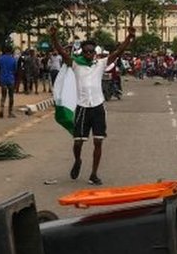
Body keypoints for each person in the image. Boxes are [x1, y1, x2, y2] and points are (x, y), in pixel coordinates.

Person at [49, 25, 135, 185]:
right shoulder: (75, 64)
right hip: (82, 107)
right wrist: (53, 37)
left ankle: (93, 174)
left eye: (91, 51)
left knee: (98, 141)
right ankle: (78, 160)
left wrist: (129, 38)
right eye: (86, 51)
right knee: (78, 141)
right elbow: (61, 51)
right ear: (82, 52)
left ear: (95, 52)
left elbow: (117, 53)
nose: (89, 54)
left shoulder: (100, 64)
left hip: (98, 107)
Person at [0, 45, 18, 118]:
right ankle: (10, 112)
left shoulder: (0, 59)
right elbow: (15, 70)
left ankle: (1, 109)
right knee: (11, 96)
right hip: (11, 79)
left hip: (3, 79)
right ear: (11, 51)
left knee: (3, 96)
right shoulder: (13, 59)